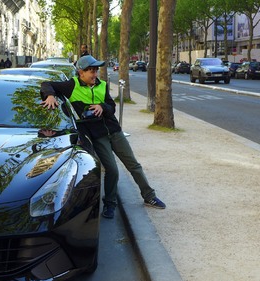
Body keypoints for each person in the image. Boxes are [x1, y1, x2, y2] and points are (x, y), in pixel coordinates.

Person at [40, 54, 166, 219]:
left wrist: (102, 107)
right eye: (90, 71)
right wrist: (49, 95)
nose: (94, 74)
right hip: (98, 136)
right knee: (112, 170)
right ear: (81, 72)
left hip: (114, 131)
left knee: (134, 165)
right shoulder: (71, 85)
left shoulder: (103, 85)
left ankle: (150, 196)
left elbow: (112, 107)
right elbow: (47, 84)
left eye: (96, 70)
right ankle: (110, 204)